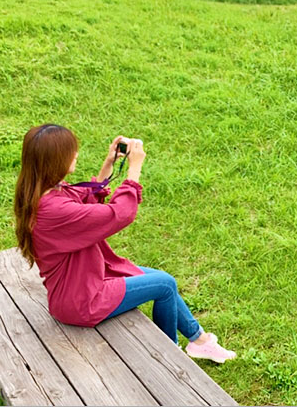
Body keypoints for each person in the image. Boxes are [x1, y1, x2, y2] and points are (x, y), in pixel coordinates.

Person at [13, 123, 236, 363]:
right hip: (81, 300)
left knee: (159, 279)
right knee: (165, 284)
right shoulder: (54, 209)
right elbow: (120, 213)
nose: (76, 154)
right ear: (53, 160)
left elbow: (86, 206)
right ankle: (171, 358)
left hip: (85, 279)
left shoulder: (46, 192)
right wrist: (134, 170)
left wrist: (108, 164)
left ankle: (199, 341)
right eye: (70, 151)